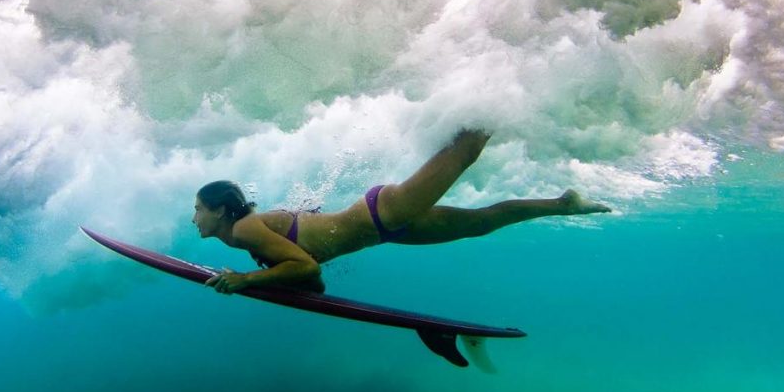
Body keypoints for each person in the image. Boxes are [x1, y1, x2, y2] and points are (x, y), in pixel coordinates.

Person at [193, 129, 611, 294]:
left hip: (382, 214)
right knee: (481, 223)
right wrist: (261, 279)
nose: (194, 218)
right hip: (388, 229)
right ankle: (564, 204)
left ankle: (497, 99)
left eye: (198, 210)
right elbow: (313, 279)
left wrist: (246, 281)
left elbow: (302, 264)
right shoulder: (242, 236)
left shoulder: (246, 230)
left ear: (220, 210)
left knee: (465, 148)